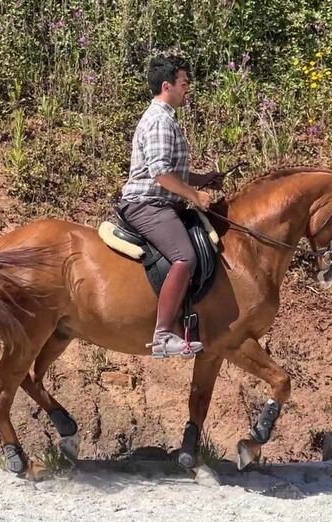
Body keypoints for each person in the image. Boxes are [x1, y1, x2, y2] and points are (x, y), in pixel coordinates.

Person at [120, 55, 223, 358]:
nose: (187, 89)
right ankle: (163, 335)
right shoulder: (159, 121)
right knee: (185, 256)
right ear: (167, 86)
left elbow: (171, 171)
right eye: (184, 83)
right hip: (146, 204)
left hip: (162, 201)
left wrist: (202, 178)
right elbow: (161, 174)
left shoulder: (166, 119)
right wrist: (193, 194)